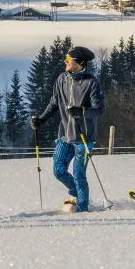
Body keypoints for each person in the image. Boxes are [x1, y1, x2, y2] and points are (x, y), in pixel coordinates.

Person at [30, 46, 104, 212]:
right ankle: (75, 193)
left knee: (79, 174)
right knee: (58, 170)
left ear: (79, 63)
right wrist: (41, 119)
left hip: (83, 138)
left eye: (68, 60)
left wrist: (82, 111)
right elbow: (54, 103)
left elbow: (99, 110)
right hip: (64, 134)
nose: (65, 62)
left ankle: (83, 209)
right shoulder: (62, 79)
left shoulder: (91, 83)